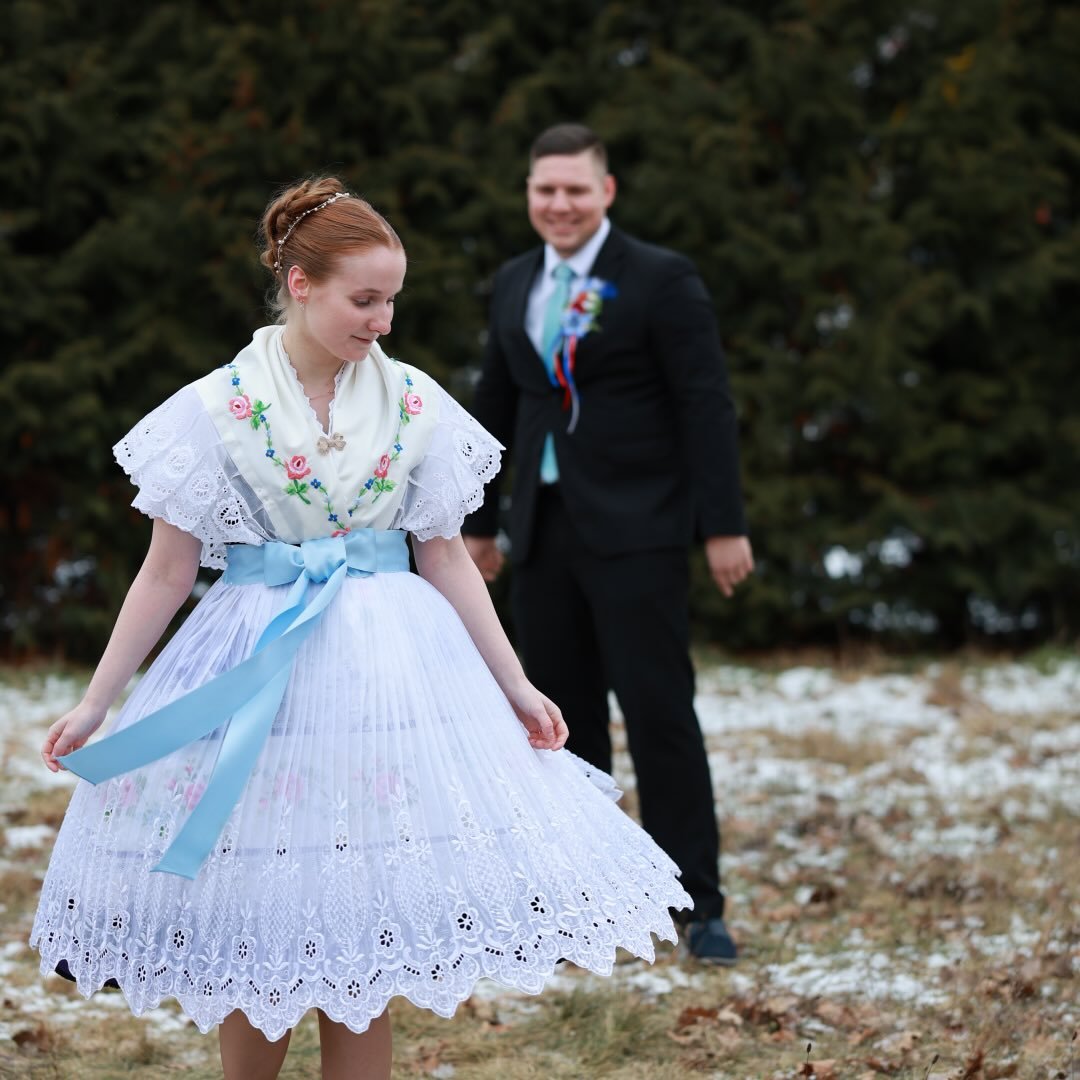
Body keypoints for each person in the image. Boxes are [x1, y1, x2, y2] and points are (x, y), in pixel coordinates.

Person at [30, 177, 691, 1080]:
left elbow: (445, 557)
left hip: (387, 671)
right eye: (364, 300)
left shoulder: (413, 401)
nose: (382, 321)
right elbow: (166, 572)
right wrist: (98, 702)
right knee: (259, 904)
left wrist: (514, 684)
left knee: (363, 912)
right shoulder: (215, 408)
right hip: (259, 667)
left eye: (392, 302)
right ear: (300, 284)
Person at [462, 124, 754, 965]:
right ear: (529, 192)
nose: (559, 204)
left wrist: (723, 524)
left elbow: (704, 401)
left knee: (659, 713)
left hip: (639, 530)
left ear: (607, 192)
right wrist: (478, 521)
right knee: (558, 721)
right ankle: (582, 901)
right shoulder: (515, 281)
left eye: (575, 190)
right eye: (544, 189)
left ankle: (698, 905)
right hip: (543, 531)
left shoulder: (661, 278)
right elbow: (497, 402)